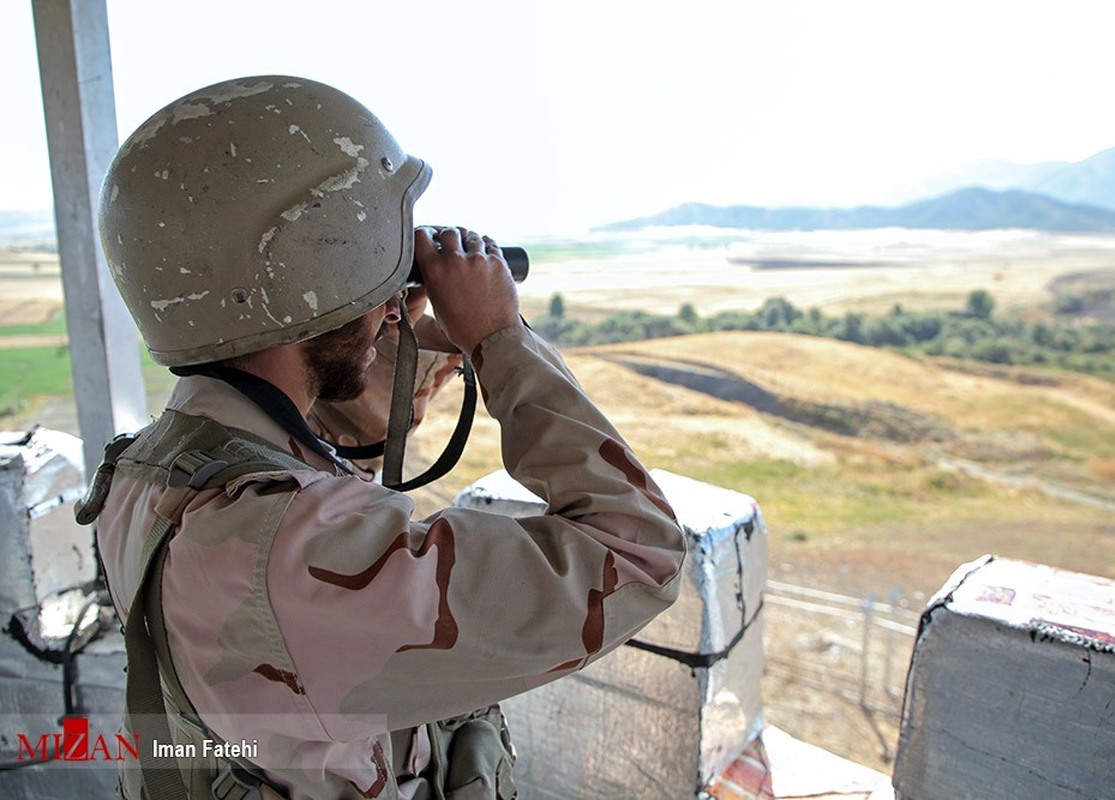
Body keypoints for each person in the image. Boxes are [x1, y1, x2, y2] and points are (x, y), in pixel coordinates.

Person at [80, 75, 686, 799]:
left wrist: (383, 335)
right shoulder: (294, 550)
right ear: (307, 276)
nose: (389, 300)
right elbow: (639, 553)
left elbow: (339, 441)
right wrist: (499, 338)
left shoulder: (156, 466)